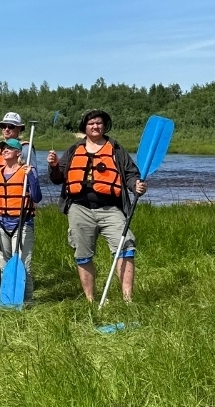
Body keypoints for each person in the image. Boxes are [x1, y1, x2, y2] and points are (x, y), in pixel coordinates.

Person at [48, 110, 146, 303]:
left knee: (125, 247)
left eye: (99, 123)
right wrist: (53, 166)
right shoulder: (74, 149)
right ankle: (91, 301)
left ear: (104, 126)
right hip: (79, 208)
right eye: (91, 123)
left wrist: (136, 185)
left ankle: (128, 299)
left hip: (110, 208)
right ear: (85, 127)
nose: (95, 126)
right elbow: (57, 179)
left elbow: (130, 174)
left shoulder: (116, 148)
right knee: (83, 254)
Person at [0, 138, 43, 301]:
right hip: (1, 224)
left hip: (22, 223)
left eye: (9, 148)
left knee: (24, 266)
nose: (5, 150)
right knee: (5, 266)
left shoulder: (26, 172)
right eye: (4, 148)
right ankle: (8, 299)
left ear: (18, 153)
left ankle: (27, 300)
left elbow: (37, 197)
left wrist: (30, 177)